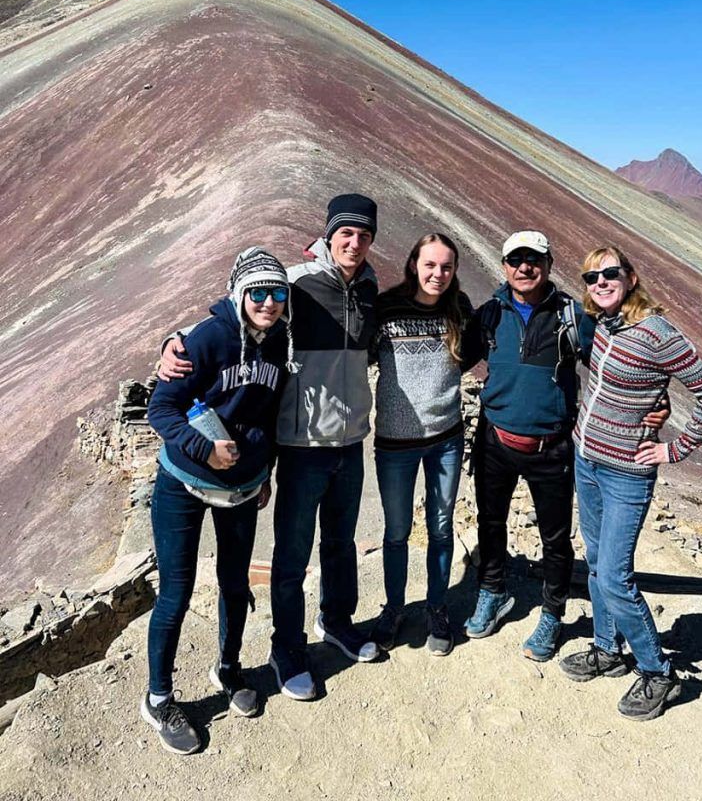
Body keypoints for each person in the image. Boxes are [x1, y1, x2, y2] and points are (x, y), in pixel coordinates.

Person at [160, 194, 381, 702]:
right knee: (293, 552)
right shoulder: (296, 283)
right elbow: (233, 314)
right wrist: (174, 339)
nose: (354, 242)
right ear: (329, 235)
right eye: (345, 233)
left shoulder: (369, 287)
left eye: (364, 235)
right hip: (302, 444)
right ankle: (287, 648)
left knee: (340, 543)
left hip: (350, 443)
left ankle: (338, 622)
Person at [461, 230, 667, 663]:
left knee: (555, 537)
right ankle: (492, 591)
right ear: (503, 267)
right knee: (491, 523)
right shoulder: (489, 314)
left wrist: (658, 401)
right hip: (495, 439)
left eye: (533, 259)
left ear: (549, 265)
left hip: (552, 446)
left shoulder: (573, 316)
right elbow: (457, 357)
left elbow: (620, 363)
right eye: (515, 260)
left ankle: (553, 613)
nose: (524, 267)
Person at [559, 245, 702, 721]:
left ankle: (657, 672)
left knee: (614, 574)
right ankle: (606, 649)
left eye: (610, 273)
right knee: (595, 563)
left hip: (626, 475)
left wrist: (673, 449)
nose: (600, 283)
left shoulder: (659, 334)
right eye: (592, 278)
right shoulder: (606, 326)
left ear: (631, 277)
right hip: (586, 461)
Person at [143, 247, 291, 754]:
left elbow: (268, 414)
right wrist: (204, 447)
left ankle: (228, 668)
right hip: (182, 483)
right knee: (176, 592)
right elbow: (159, 408)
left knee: (234, 584)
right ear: (239, 292)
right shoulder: (205, 339)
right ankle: (159, 697)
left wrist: (264, 468)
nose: (268, 303)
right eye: (258, 292)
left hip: (243, 489)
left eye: (277, 293)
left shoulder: (277, 341)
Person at [370, 233, 473, 657]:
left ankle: (437, 607)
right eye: (430, 265)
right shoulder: (386, 308)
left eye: (446, 267)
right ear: (414, 264)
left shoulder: (459, 309)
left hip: (445, 440)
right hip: (395, 443)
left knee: (441, 527)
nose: (438, 274)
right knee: (396, 532)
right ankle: (394, 609)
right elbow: (357, 353)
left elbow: (477, 352)